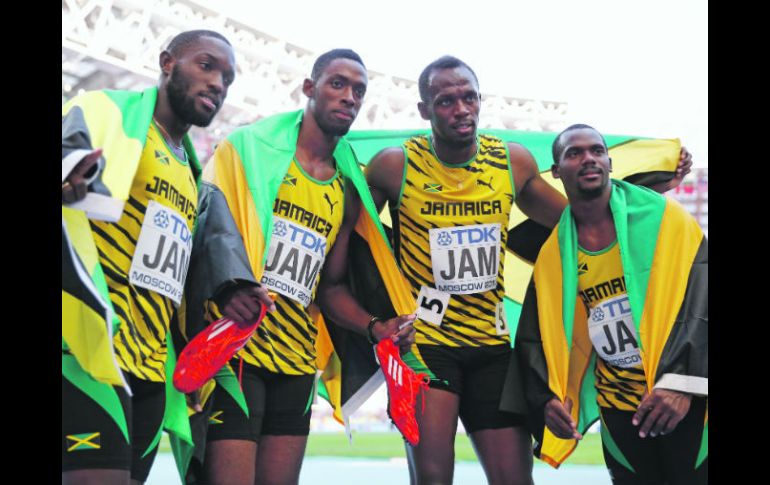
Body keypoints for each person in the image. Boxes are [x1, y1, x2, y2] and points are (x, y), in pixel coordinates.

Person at [319, 55, 693, 485]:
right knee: (434, 479)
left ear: (480, 100)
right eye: (445, 101)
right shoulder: (394, 165)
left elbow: (579, 220)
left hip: (493, 347)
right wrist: (374, 323)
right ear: (424, 110)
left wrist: (647, 191)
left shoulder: (510, 163)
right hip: (426, 345)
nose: (461, 109)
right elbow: (348, 254)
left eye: (469, 97)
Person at [184, 48, 416, 485]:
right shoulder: (248, 150)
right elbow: (203, 233)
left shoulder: (345, 188)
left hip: (295, 362)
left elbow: (328, 287)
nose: (349, 96)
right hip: (236, 350)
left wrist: (375, 327)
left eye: (359, 91)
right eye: (337, 84)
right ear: (309, 88)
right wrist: (226, 290)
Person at [62, 30, 236, 484]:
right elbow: (69, 151)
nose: (218, 82)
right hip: (91, 351)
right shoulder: (109, 111)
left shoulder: (190, 171)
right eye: (206, 65)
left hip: (151, 367)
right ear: (167, 63)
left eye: (227, 77)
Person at [513, 124, 707, 484]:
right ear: (556, 171)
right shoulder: (554, 255)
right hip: (619, 410)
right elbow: (536, 336)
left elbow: (703, 305)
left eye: (596, 151)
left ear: (609, 162)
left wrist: (684, 384)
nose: (588, 158)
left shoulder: (668, 221)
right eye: (574, 153)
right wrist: (546, 398)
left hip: (686, 404)